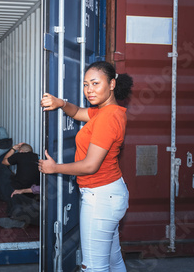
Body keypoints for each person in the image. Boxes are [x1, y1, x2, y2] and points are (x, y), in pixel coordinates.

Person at [39, 61, 133, 272]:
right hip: (110, 193)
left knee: (93, 267)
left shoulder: (107, 118)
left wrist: (55, 168)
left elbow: (90, 166)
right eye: (85, 84)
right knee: (113, 261)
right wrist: (61, 103)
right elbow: (79, 112)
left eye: (95, 83)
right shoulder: (108, 111)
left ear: (111, 84)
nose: (89, 89)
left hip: (100, 198)